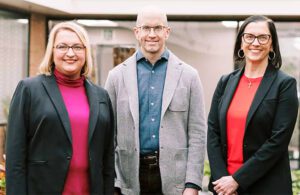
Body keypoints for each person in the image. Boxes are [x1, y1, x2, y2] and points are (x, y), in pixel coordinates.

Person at [105, 6, 207, 195]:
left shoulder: (189, 76)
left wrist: (192, 184)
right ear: (137, 32)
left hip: (174, 179)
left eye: (158, 28)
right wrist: (113, 182)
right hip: (129, 178)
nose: (152, 34)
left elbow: (198, 134)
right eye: (146, 28)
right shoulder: (116, 77)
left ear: (167, 32)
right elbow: (108, 136)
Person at [6, 21, 115, 195]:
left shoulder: (101, 96)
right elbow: (15, 158)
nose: (70, 53)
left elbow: (107, 157)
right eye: (62, 46)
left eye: (78, 47)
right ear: (52, 51)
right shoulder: (29, 90)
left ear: (86, 52)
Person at [207, 15, 299, 195]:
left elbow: (278, 141)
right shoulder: (225, 82)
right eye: (249, 36)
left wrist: (237, 180)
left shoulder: (284, 84)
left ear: (272, 44)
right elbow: (213, 132)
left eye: (263, 37)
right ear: (241, 42)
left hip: (267, 186)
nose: (255, 42)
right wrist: (222, 180)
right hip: (225, 188)